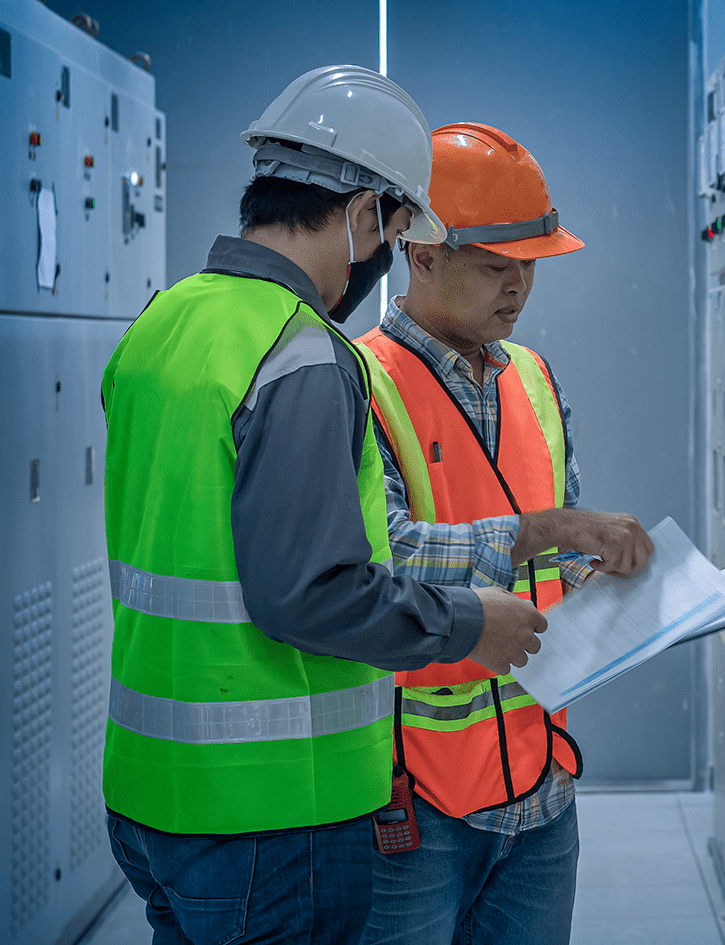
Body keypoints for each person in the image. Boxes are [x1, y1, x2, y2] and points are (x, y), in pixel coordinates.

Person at [98, 67, 551, 945]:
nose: (381, 255)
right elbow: (308, 593)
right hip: (270, 815)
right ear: (362, 215)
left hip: (152, 795)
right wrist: (469, 626)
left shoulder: (160, 324)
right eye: (392, 227)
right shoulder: (298, 352)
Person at [355, 123, 656, 944]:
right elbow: (381, 561)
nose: (519, 286)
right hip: (413, 804)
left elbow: (557, 560)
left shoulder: (534, 379)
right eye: (496, 265)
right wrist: (547, 530)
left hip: (542, 787)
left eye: (531, 264)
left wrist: (610, 579)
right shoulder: (362, 384)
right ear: (420, 254)